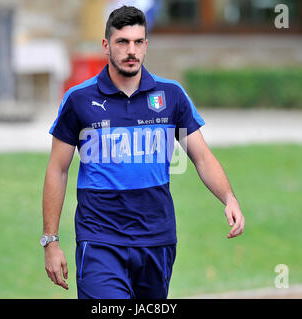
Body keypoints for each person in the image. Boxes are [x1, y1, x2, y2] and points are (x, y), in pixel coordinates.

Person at [41, 5, 245, 299]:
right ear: (106, 45)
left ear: (146, 45)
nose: (131, 50)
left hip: (157, 240)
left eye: (138, 42)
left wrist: (229, 197)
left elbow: (201, 156)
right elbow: (57, 169)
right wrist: (51, 241)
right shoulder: (78, 99)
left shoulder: (171, 94)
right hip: (99, 240)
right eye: (122, 42)